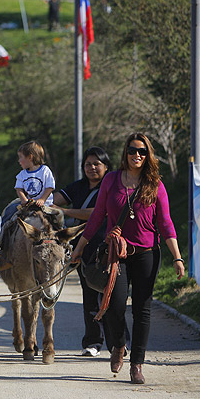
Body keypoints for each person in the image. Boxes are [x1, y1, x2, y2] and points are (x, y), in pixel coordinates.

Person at [71, 133, 184, 385]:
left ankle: (137, 364)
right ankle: (119, 345)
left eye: (142, 151)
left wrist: (177, 258)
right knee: (113, 304)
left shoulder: (155, 185)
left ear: (148, 155)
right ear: (126, 152)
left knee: (142, 309)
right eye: (133, 150)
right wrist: (79, 248)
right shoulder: (111, 180)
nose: (137, 155)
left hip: (146, 254)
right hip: (117, 253)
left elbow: (165, 224)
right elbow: (97, 216)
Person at [53, 146, 113, 357]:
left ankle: (118, 342)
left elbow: (96, 213)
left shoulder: (111, 187)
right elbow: (55, 200)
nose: (92, 168)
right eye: (88, 164)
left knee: (111, 295)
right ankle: (93, 342)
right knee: (89, 297)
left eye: (97, 164)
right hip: (82, 249)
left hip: (107, 249)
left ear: (106, 166)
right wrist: (41, 199)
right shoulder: (78, 187)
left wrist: (66, 211)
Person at [2, 140, 56, 224]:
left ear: (30, 157)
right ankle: (2, 229)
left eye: (21, 157)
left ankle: (63, 232)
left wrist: (42, 199)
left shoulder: (45, 170)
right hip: (29, 204)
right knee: (11, 209)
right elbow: (19, 189)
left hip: (45, 204)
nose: (19, 160)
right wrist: (24, 200)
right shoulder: (22, 174)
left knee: (58, 217)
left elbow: (50, 187)